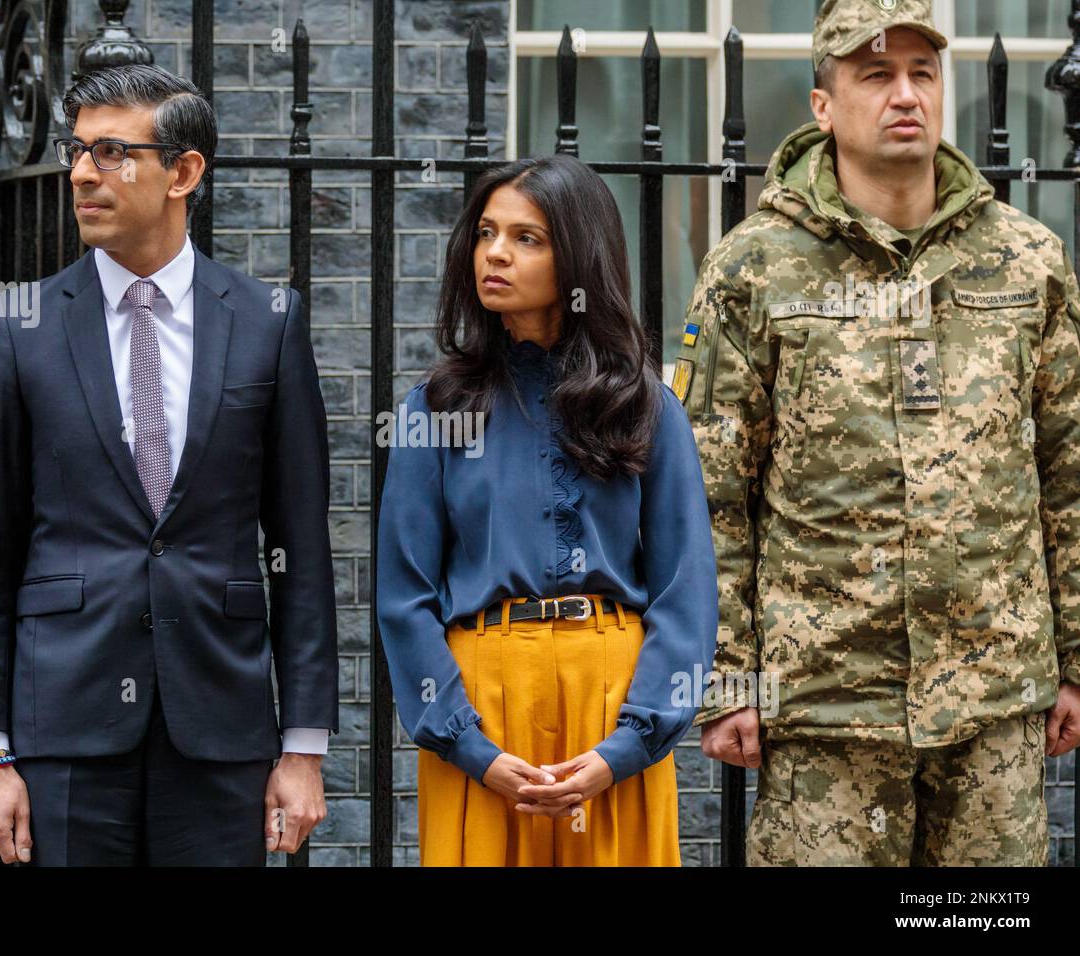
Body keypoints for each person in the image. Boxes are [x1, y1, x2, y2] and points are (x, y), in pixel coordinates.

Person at [676, 0, 1080, 866]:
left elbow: (1068, 469)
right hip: (824, 706)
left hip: (995, 700)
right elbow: (707, 491)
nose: (906, 94)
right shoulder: (752, 266)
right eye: (875, 74)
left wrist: (1076, 657)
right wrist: (726, 678)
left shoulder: (1027, 260)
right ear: (823, 105)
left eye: (922, 73)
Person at [0, 63, 338, 865]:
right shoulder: (18, 331)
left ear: (184, 172)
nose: (84, 173)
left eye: (113, 152)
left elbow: (302, 554)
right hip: (60, 731)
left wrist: (302, 748)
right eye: (77, 152)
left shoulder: (268, 325)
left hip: (221, 732)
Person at [376, 153, 718, 866]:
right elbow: (404, 597)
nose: (494, 253)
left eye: (527, 238)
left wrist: (627, 748)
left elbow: (686, 597)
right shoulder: (437, 411)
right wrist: (467, 745)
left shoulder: (649, 409)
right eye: (486, 233)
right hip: (482, 712)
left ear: (580, 257)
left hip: (613, 709)